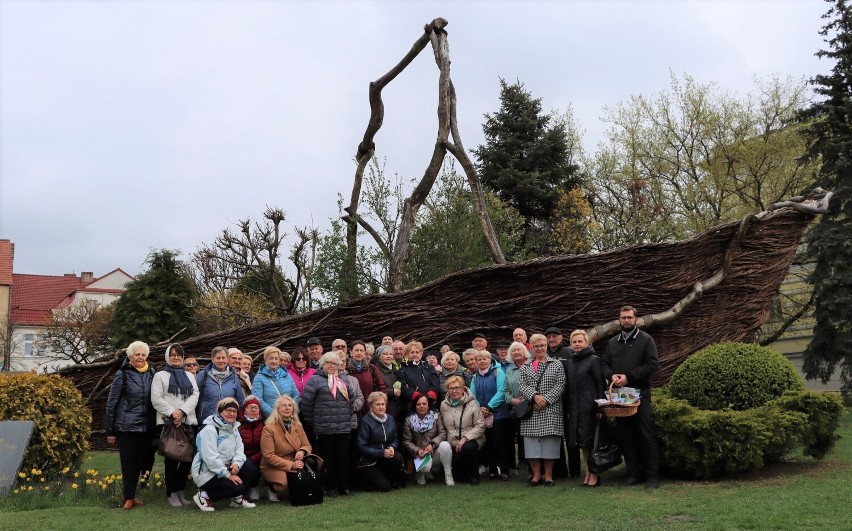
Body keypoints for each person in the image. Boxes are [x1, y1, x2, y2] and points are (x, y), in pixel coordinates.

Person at [602, 305, 661, 489]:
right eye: (623, 318)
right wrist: (611, 375)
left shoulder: (646, 339)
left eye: (629, 317)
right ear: (619, 320)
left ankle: (652, 477)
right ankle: (633, 474)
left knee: (645, 435)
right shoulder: (613, 342)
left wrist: (629, 376)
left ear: (636, 319)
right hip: (620, 397)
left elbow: (653, 365)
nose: (626, 320)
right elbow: (604, 364)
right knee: (625, 436)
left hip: (640, 395)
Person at [105, 340, 157, 510]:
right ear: (130, 357)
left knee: (140, 462)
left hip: (146, 426)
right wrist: (110, 430)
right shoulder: (123, 374)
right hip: (126, 427)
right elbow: (112, 402)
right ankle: (128, 497)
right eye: (137, 354)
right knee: (128, 462)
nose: (141, 357)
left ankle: (132, 495)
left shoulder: (152, 373)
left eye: (143, 354)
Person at [300, 352, 358, 497]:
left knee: (343, 458)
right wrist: (312, 422)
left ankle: (344, 486)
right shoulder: (315, 380)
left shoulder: (343, 379)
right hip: (324, 427)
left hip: (343, 427)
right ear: (323, 364)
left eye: (335, 364)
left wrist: (346, 415)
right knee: (327, 459)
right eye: (329, 363)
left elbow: (351, 400)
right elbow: (306, 404)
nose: (332, 366)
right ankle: (329, 487)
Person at [150, 343, 199, 507]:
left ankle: (180, 491)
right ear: (167, 357)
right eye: (172, 354)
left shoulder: (190, 376)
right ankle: (171, 493)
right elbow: (156, 398)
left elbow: (195, 395)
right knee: (171, 460)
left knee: (187, 460)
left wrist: (182, 412)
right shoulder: (160, 376)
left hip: (187, 422)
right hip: (169, 423)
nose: (176, 357)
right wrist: (173, 413)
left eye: (178, 354)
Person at [191, 398, 258, 511]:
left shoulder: (234, 429)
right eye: (228, 410)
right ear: (220, 411)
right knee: (237, 488)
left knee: (249, 466)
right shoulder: (209, 429)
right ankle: (203, 496)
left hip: (225, 469)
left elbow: (239, 451)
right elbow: (210, 458)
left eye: (234, 411)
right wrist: (228, 475)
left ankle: (237, 498)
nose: (232, 414)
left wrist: (236, 464)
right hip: (207, 473)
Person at [518, 333, 566, 487]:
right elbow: (521, 385)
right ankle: (536, 475)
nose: (539, 348)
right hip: (532, 410)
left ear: (546, 346)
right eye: (536, 346)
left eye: (542, 345)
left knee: (549, 444)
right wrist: (535, 397)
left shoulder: (556, 364)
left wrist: (545, 400)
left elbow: (561, 384)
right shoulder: (525, 366)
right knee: (531, 444)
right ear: (531, 347)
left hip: (550, 409)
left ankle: (549, 476)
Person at [564, 329, 606, 487]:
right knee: (582, 443)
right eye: (574, 342)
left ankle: (594, 474)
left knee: (592, 442)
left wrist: (600, 407)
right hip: (576, 408)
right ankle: (588, 472)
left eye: (580, 341)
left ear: (587, 343)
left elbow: (600, 383)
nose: (577, 344)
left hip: (590, 407)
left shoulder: (594, 360)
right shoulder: (570, 361)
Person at [260, 395, 313, 502]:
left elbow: (307, 445)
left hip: (295, 461)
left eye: (290, 405)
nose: (287, 408)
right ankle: (272, 488)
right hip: (273, 465)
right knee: (286, 484)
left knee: (302, 480)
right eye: (284, 405)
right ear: (277, 409)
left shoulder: (298, 425)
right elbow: (268, 456)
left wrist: (302, 451)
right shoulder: (269, 428)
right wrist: (291, 465)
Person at [436, 375, 486, 486]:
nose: (454, 391)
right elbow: (443, 426)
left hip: (472, 439)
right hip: (453, 442)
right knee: (459, 477)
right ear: (447, 390)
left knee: (467, 448)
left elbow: (480, 425)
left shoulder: (473, 403)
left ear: (463, 389)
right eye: (451, 388)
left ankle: (474, 476)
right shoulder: (443, 405)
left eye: (457, 388)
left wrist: (465, 438)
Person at [354, 392, 408, 492]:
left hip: (385, 458)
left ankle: (389, 477)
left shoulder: (390, 419)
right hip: (369, 461)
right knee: (385, 487)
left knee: (398, 458)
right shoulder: (365, 421)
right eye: (377, 404)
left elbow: (395, 439)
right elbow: (361, 446)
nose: (381, 407)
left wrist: (392, 447)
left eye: (383, 404)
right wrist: (382, 453)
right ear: (371, 406)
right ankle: (361, 482)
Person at [469, 350, 510, 481]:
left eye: (484, 359)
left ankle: (505, 471)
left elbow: (502, 391)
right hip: (483, 415)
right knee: (489, 444)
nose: (482, 361)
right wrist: (480, 408)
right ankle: (493, 471)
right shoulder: (476, 376)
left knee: (500, 443)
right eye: (479, 359)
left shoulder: (498, 372)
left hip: (499, 414)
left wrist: (489, 406)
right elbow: (472, 395)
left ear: (490, 360)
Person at [544, 326, 578, 478]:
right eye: (549, 337)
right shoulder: (543, 354)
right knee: (555, 437)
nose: (551, 339)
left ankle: (575, 470)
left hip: (568, 401)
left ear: (561, 337)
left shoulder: (569, 353)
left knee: (572, 437)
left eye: (554, 336)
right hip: (552, 403)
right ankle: (560, 471)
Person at [402, 394, 450, 485]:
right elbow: (406, 441)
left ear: (428, 405)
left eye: (424, 404)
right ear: (415, 406)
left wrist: (432, 444)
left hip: (434, 450)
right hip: (419, 454)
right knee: (425, 468)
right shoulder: (408, 420)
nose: (421, 406)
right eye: (418, 404)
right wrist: (417, 450)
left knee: (445, 445)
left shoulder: (436, 416)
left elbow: (442, 433)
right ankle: (421, 474)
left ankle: (448, 474)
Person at [502, 341, 530, 476]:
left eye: (519, 350)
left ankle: (530, 461)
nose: (517, 352)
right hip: (515, 407)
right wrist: (511, 400)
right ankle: (520, 462)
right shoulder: (509, 370)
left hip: (531, 406)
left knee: (528, 435)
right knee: (518, 435)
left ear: (524, 351)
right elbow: (505, 391)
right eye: (513, 351)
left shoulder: (532, 365)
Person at [196, 346, 245, 421]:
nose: (221, 360)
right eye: (218, 358)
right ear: (212, 359)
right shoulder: (203, 375)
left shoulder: (234, 377)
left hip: (226, 420)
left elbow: (240, 400)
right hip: (206, 419)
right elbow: (195, 396)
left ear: (228, 359)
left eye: (223, 358)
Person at [252, 346, 300, 418]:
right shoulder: (259, 377)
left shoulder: (287, 375)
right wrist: (274, 415)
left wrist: (290, 411)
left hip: (289, 417)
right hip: (271, 419)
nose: (274, 361)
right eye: (271, 358)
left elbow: (296, 394)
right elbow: (258, 399)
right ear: (265, 360)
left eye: (276, 358)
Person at [347, 340, 387, 415]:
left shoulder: (371, 368)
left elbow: (382, 387)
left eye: (361, 350)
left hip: (370, 409)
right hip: (353, 410)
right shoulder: (346, 369)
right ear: (351, 352)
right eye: (356, 350)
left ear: (364, 353)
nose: (359, 353)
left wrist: (380, 404)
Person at [399, 341, 440, 414]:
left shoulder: (429, 368)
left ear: (421, 354)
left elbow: (435, 384)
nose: (415, 354)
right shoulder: (402, 370)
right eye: (412, 352)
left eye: (417, 352)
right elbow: (403, 387)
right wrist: (418, 398)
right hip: (411, 406)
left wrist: (427, 399)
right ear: (407, 354)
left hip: (429, 404)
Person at [237, 396, 265, 500]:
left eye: (256, 407)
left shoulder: (264, 425)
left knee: (256, 465)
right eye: (250, 407)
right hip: (241, 457)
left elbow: (266, 447)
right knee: (248, 465)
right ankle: (242, 491)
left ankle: (254, 487)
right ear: (244, 409)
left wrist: (254, 458)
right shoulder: (238, 425)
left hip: (259, 456)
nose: (253, 410)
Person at [373, 345, 404, 430]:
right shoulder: (376, 370)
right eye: (385, 354)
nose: (389, 356)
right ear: (379, 356)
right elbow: (375, 389)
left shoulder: (396, 369)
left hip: (398, 409)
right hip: (386, 408)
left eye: (391, 354)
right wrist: (392, 392)